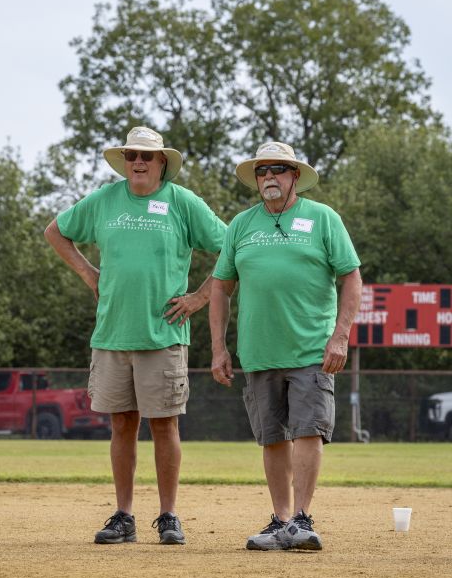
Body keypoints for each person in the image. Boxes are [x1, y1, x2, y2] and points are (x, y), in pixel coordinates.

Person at [45, 126, 226, 546]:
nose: (138, 162)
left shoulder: (182, 202)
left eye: (147, 156)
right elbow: (55, 231)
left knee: (164, 425)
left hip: (164, 334)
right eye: (131, 156)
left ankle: (168, 516)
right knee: (121, 425)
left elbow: (232, 245)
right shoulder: (105, 199)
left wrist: (200, 297)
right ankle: (124, 516)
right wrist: (88, 273)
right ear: (124, 162)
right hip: (112, 334)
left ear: (162, 162)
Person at [210, 141, 362, 551]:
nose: (268, 177)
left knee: (309, 430)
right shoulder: (241, 224)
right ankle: (280, 522)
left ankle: (302, 518)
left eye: (278, 169)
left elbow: (351, 276)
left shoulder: (322, 218)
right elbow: (221, 287)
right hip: (258, 352)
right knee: (271, 437)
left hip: (311, 349)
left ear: (295, 175)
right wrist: (219, 348)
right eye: (261, 171)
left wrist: (340, 335)